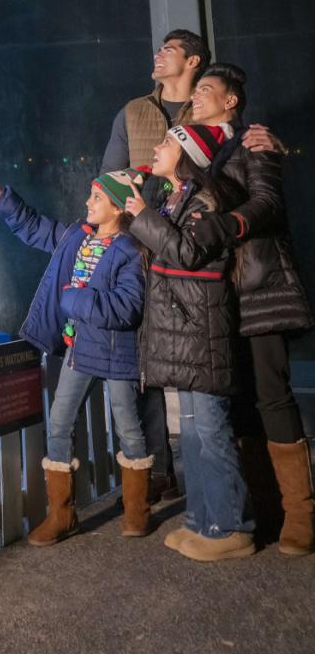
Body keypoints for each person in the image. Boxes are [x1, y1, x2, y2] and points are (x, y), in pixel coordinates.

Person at [101, 28, 278, 503]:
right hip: (145, 240)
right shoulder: (134, 112)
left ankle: (233, 494)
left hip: (194, 245)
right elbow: (112, 174)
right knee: (152, 355)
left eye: (170, 50)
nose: (158, 55)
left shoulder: (206, 114)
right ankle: (159, 469)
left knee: (210, 366)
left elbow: (241, 177)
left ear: (195, 62)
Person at [0, 164, 152, 545]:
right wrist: (3, 200)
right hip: (81, 349)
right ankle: (62, 514)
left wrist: (75, 299)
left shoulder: (131, 249)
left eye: (96, 198)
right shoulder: (79, 237)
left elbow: (127, 307)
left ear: (119, 208)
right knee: (58, 424)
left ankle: (137, 511)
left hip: (118, 353)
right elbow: (38, 228)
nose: (87, 202)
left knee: (128, 429)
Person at [189, 62, 314, 555]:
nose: (196, 97)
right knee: (237, 397)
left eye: (206, 90)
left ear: (231, 101)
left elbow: (267, 204)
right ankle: (264, 508)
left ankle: (302, 514)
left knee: (272, 394)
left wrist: (228, 226)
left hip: (262, 287)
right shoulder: (203, 157)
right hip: (223, 295)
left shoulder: (252, 143)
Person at [126, 123, 256, 562]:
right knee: (195, 433)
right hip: (182, 331)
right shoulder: (173, 199)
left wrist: (143, 212)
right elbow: (158, 248)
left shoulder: (206, 200)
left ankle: (231, 526)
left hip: (200, 330)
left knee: (211, 430)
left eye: (166, 142)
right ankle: (202, 520)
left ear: (186, 156)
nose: (157, 147)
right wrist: (140, 210)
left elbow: (185, 253)